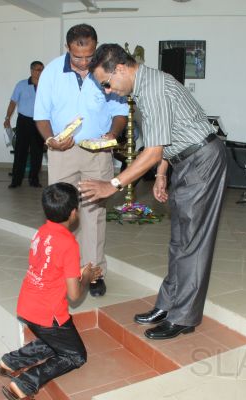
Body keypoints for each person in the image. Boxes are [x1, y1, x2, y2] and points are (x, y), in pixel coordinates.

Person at [80, 44, 227, 340]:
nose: (108, 91)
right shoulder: (145, 86)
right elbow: (166, 138)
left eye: (106, 83)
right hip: (184, 160)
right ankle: (168, 304)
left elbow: (153, 150)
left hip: (202, 160)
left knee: (192, 242)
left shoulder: (153, 88)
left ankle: (184, 317)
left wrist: (113, 184)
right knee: (179, 240)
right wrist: (161, 173)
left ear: (120, 69)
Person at [33, 24, 128, 297]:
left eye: (89, 56)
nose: (85, 62)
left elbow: (120, 111)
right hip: (62, 152)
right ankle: (68, 271)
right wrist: (50, 140)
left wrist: (112, 134)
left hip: (97, 153)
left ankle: (94, 272)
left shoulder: (106, 70)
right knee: (62, 213)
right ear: (67, 48)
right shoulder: (51, 72)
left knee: (93, 213)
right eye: (78, 57)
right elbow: (41, 116)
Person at [0, 182, 102, 400]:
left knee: (57, 342)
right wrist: (87, 278)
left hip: (27, 305)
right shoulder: (69, 243)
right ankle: (24, 384)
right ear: (74, 212)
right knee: (75, 356)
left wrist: (78, 271)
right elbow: (74, 295)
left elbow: (49, 268)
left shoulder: (41, 232)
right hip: (48, 314)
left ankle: (10, 362)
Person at [6, 61, 45, 188]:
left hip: (39, 122)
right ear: (31, 71)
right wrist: (7, 117)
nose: (40, 72)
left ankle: (34, 180)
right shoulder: (21, 85)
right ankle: (16, 180)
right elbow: (13, 102)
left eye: (42, 69)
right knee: (20, 151)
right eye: (38, 69)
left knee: (37, 152)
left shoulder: (46, 85)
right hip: (24, 122)